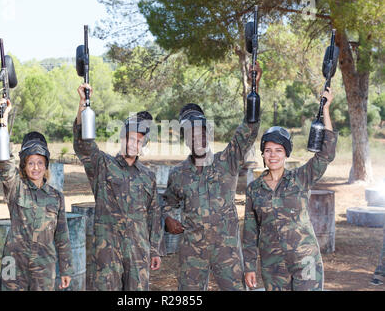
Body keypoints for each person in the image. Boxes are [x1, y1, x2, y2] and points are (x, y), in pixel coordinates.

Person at [163, 63, 262, 291]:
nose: (198, 138)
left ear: (208, 134)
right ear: (186, 140)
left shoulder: (227, 160)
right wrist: (168, 219)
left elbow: (249, 128)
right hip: (192, 251)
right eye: (192, 134)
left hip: (226, 250)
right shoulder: (178, 174)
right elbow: (168, 202)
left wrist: (255, 87)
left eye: (202, 132)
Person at [242, 87, 338, 291]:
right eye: (268, 150)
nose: (273, 155)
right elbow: (250, 232)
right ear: (263, 155)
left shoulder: (300, 178)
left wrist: (326, 109)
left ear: (286, 154)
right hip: (273, 265)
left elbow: (326, 154)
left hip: (306, 260)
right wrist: (249, 266)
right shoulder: (253, 189)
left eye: (278, 150)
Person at [73, 83, 162, 291]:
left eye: (139, 141)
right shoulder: (103, 166)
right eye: (131, 138)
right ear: (122, 139)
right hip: (107, 253)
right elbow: (83, 144)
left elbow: (155, 215)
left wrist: (155, 250)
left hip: (138, 253)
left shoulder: (148, 176)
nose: (134, 144)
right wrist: (83, 105)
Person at [0, 99, 74, 291]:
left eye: (40, 162)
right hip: (12, 262)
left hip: (44, 265)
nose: (36, 168)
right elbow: (4, 163)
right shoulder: (16, 187)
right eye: (31, 163)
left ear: (46, 165)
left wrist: (66, 269)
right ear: (24, 165)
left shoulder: (56, 197)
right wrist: (3, 120)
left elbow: (62, 236)